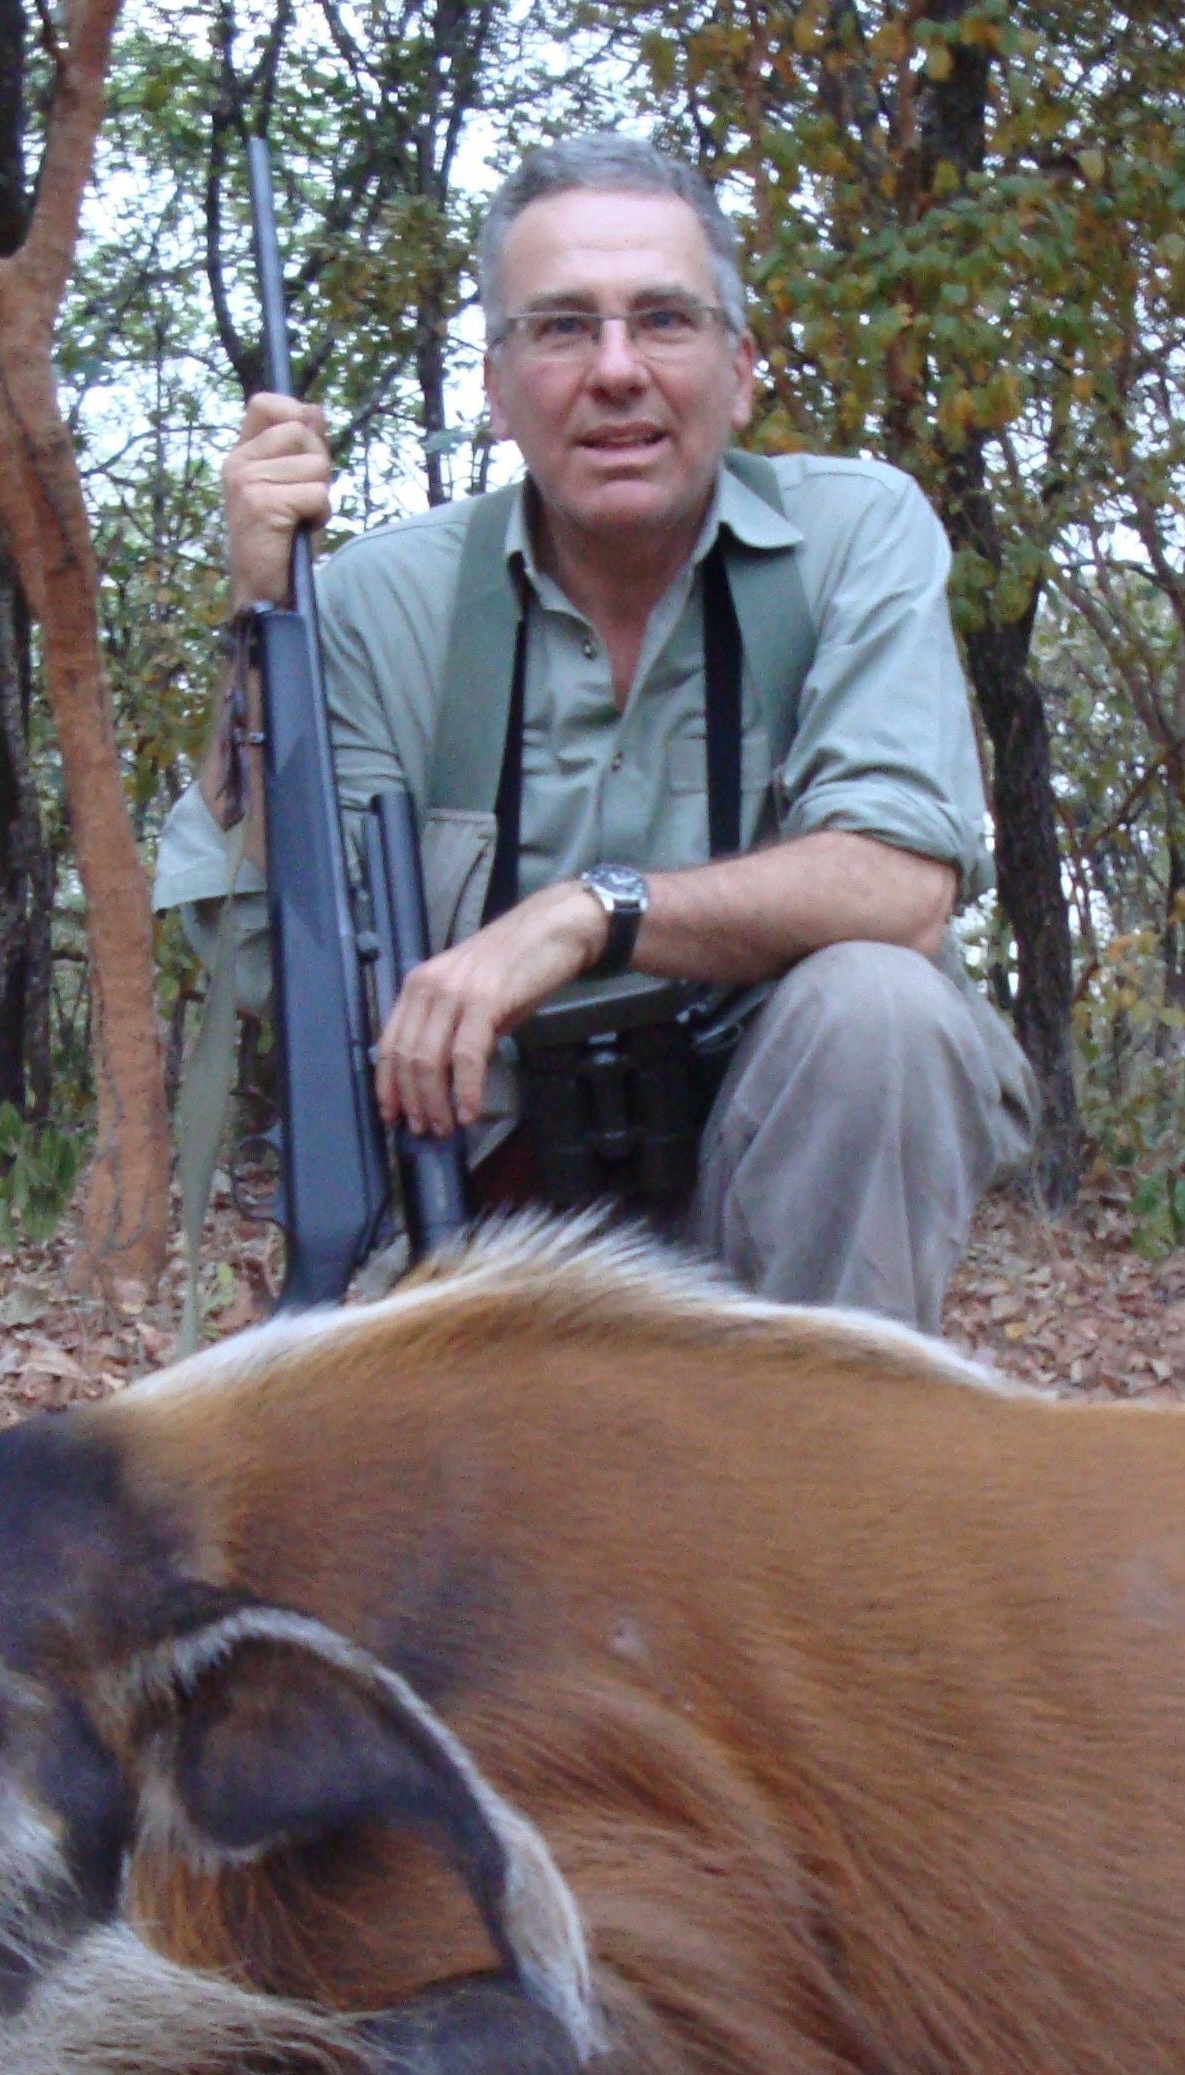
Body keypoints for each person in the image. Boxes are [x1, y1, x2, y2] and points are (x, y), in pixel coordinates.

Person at [155, 131, 1031, 1332]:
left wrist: (582, 915)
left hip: (773, 1229)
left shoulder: (855, 535)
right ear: (496, 387)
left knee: (883, 1008)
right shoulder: (374, 600)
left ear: (740, 369)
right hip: (486, 1229)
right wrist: (260, 618)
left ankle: (824, 1489)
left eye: (663, 320)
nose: (617, 370)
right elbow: (266, 939)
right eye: (562, 328)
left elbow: (901, 885)